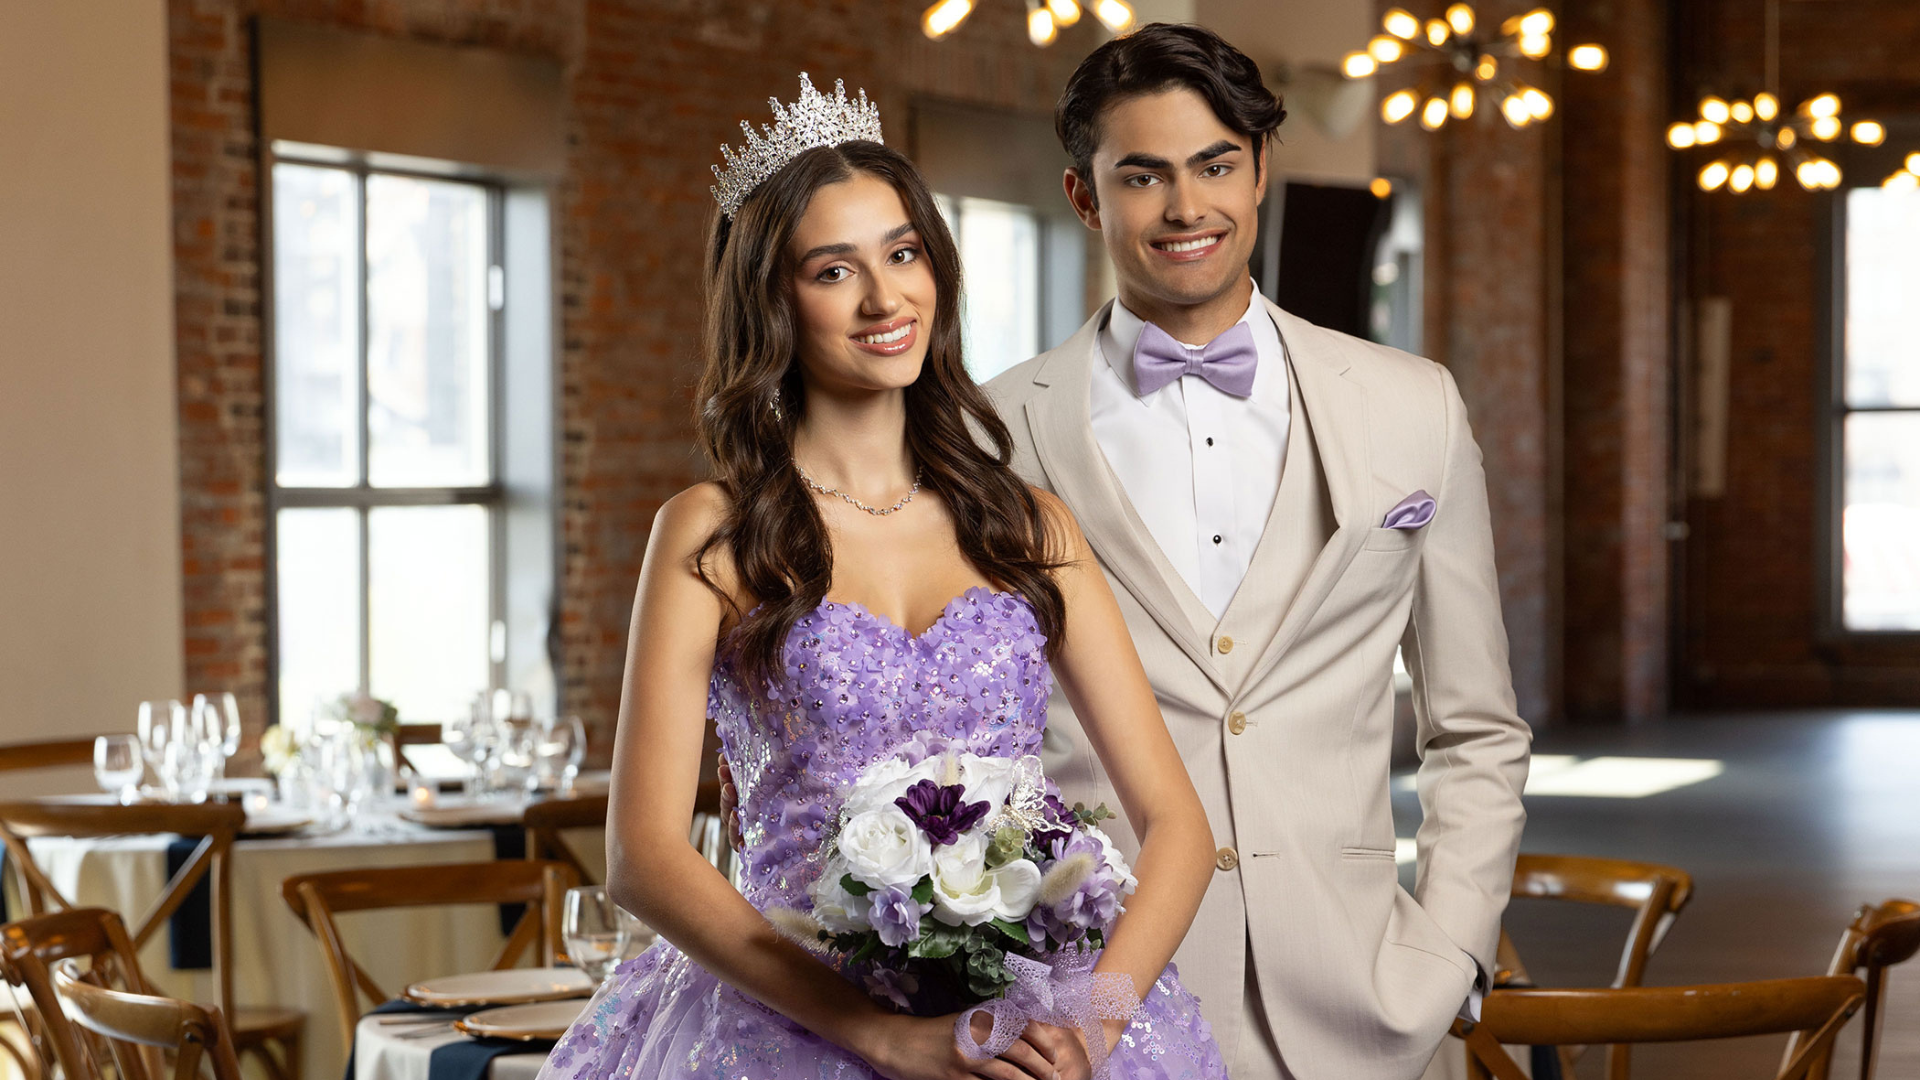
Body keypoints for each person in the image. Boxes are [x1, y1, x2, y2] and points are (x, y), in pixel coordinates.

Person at [540, 75, 1229, 1080]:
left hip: (1032, 1023)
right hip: (790, 1025)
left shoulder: (1026, 526)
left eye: (903, 253)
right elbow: (643, 857)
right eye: (833, 270)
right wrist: (878, 1036)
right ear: (772, 299)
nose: (885, 297)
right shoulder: (713, 533)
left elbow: (1178, 827)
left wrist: (1095, 1024)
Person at [979, 23, 1533, 1080]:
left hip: (1367, 1005)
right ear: (1084, 197)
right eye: (1143, 177)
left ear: (1262, 168)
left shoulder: (1413, 405)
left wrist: (1451, 950)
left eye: (1216, 166)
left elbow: (1476, 725)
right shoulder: (986, 434)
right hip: (1096, 1012)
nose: (1187, 208)